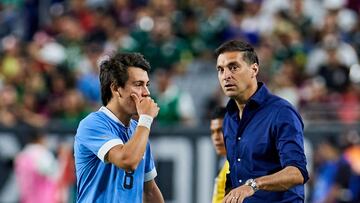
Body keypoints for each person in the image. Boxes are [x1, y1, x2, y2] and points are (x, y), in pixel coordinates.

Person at [214, 40, 309, 203]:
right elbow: (237, 176)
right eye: (220, 70)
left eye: (234, 67)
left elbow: (297, 172)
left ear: (254, 69)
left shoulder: (281, 112)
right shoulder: (230, 117)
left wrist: (253, 184)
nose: (226, 76)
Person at [74, 52, 164, 203]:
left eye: (146, 85)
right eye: (138, 85)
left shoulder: (139, 130)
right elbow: (127, 160)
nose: (146, 93)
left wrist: (143, 123)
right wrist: (146, 119)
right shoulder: (92, 124)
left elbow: (149, 191)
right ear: (116, 88)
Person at [15, 127, 59, 203]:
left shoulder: (22, 155)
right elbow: (55, 174)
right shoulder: (42, 154)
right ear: (40, 138)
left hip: (27, 199)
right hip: (44, 199)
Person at [210, 106, 230, 203]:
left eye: (220, 130)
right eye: (213, 132)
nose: (216, 137)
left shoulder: (240, 168)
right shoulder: (226, 166)